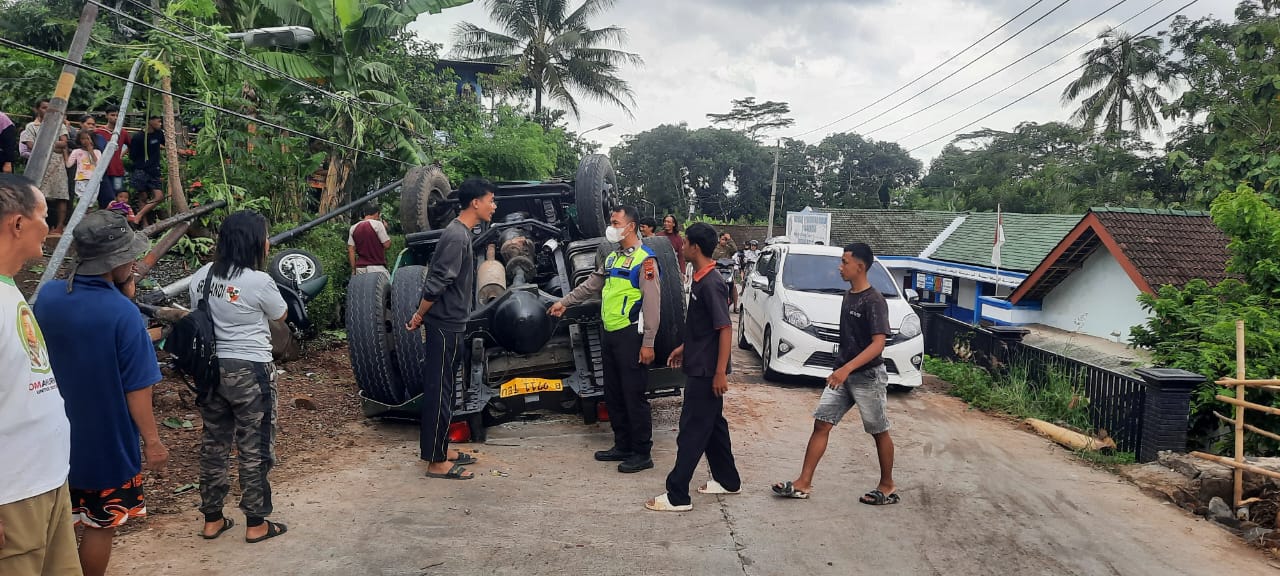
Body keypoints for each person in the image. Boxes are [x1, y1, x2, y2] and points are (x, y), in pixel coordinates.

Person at [33, 210, 168, 576]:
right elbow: (138, 389)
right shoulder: (122, 314)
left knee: (61, 524)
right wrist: (153, 443)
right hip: (106, 445)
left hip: (52, 441)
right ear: (117, 261)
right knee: (99, 526)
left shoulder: (47, 297)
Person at [188, 210, 290, 543]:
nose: (268, 241)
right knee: (254, 445)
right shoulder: (258, 281)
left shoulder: (201, 276)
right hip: (250, 371)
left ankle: (213, 518)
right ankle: (257, 522)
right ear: (253, 242)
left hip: (211, 370)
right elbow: (281, 314)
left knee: (214, 444)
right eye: (265, 236)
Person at [772, 243, 897, 505]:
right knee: (822, 423)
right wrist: (842, 369)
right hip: (842, 374)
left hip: (867, 377)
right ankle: (803, 483)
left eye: (844, 262)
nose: (840, 267)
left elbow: (878, 344)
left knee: (878, 430)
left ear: (860, 267)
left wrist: (847, 368)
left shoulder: (874, 300)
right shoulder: (849, 295)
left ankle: (887, 485)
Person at [0, 174, 80, 575]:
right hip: (12, 500)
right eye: (43, 218)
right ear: (17, 224)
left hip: (45, 482)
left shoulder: (9, 289)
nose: (49, 229)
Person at [549, 205, 661, 473]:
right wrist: (564, 303)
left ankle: (642, 452)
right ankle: (622, 444)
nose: (611, 226)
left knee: (634, 396)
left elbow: (653, 305)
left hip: (631, 335)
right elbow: (591, 285)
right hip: (609, 333)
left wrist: (648, 343)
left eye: (615, 221)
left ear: (630, 226)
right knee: (613, 393)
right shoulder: (612, 259)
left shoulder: (645, 261)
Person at [406, 178, 497, 480]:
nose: (493, 206)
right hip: (443, 326)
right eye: (490, 200)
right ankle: (435, 461)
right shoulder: (456, 236)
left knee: (448, 389)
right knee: (438, 391)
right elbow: (437, 282)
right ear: (476, 203)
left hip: (453, 323)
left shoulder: (462, 234)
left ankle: (442, 448)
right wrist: (419, 315)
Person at [646, 223, 741, 512]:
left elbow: (725, 329)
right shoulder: (700, 278)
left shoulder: (712, 282)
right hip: (699, 363)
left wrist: (720, 372)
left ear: (695, 248)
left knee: (691, 430)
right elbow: (704, 328)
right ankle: (728, 480)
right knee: (713, 427)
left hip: (706, 372)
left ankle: (677, 495)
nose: (682, 246)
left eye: (685, 243)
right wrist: (684, 347)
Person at [20, 100, 70, 235]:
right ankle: (37, 226)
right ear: (37, 109)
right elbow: (31, 145)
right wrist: (54, 144)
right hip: (39, 164)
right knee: (37, 195)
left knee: (61, 195)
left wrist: (45, 143)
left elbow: (64, 143)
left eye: (50, 108)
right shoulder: (31, 126)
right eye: (43, 108)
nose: (47, 111)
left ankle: (59, 226)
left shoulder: (59, 124)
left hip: (57, 164)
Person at [128, 116, 165, 223]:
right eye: (158, 121)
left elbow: (164, 144)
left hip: (154, 171)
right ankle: (145, 225)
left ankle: (139, 215)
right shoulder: (138, 137)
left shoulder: (159, 134)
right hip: (141, 171)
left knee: (159, 196)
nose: (160, 123)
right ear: (150, 121)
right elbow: (132, 156)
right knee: (142, 197)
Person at [95, 107, 129, 206]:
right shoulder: (98, 132)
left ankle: (117, 218)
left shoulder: (123, 132)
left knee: (119, 195)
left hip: (117, 170)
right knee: (104, 196)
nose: (115, 117)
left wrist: (121, 155)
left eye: (117, 115)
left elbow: (131, 146)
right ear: (106, 116)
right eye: (112, 115)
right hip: (103, 170)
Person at [348, 203, 391, 275]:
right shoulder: (378, 224)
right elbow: (387, 245)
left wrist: (353, 269)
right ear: (377, 213)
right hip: (376, 267)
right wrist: (385, 229)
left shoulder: (353, 227)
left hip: (360, 268)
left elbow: (351, 250)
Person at [66, 131, 102, 205]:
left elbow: (98, 164)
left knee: (92, 201)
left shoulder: (97, 152)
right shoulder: (76, 151)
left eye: (88, 138)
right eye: (82, 138)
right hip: (81, 179)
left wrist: (90, 150)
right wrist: (64, 151)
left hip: (94, 180)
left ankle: (89, 215)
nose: (85, 141)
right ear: (79, 140)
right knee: (81, 201)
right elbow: (68, 164)